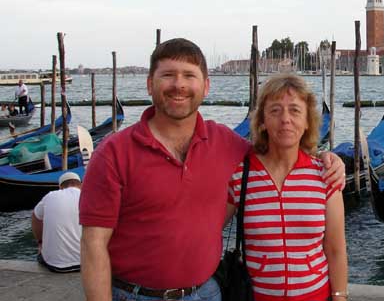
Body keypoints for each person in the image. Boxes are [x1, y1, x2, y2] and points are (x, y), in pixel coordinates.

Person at [79, 38, 345, 301]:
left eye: (189, 76)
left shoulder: (226, 144)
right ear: (150, 83)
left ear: (205, 86)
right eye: (168, 75)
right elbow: (93, 245)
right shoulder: (114, 153)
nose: (179, 84)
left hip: (207, 293)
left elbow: (280, 148)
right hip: (137, 295)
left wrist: (327, 158)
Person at [226, 73, 348, 301]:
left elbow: (335, 248)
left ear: (307, 122)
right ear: (262, 121)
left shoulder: (325, 175)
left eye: (294, 110)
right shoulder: (240, 175)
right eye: (275, 110)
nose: (285, 119)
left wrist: (340, 297)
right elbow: (208, 230)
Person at [32, 171, 82, 273]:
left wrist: (40, 242)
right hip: (89, 263)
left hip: (56, 266)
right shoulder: (88, 195)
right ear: (80, 184)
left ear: (60, 187)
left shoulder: (50, 196)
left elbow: (35, 217)